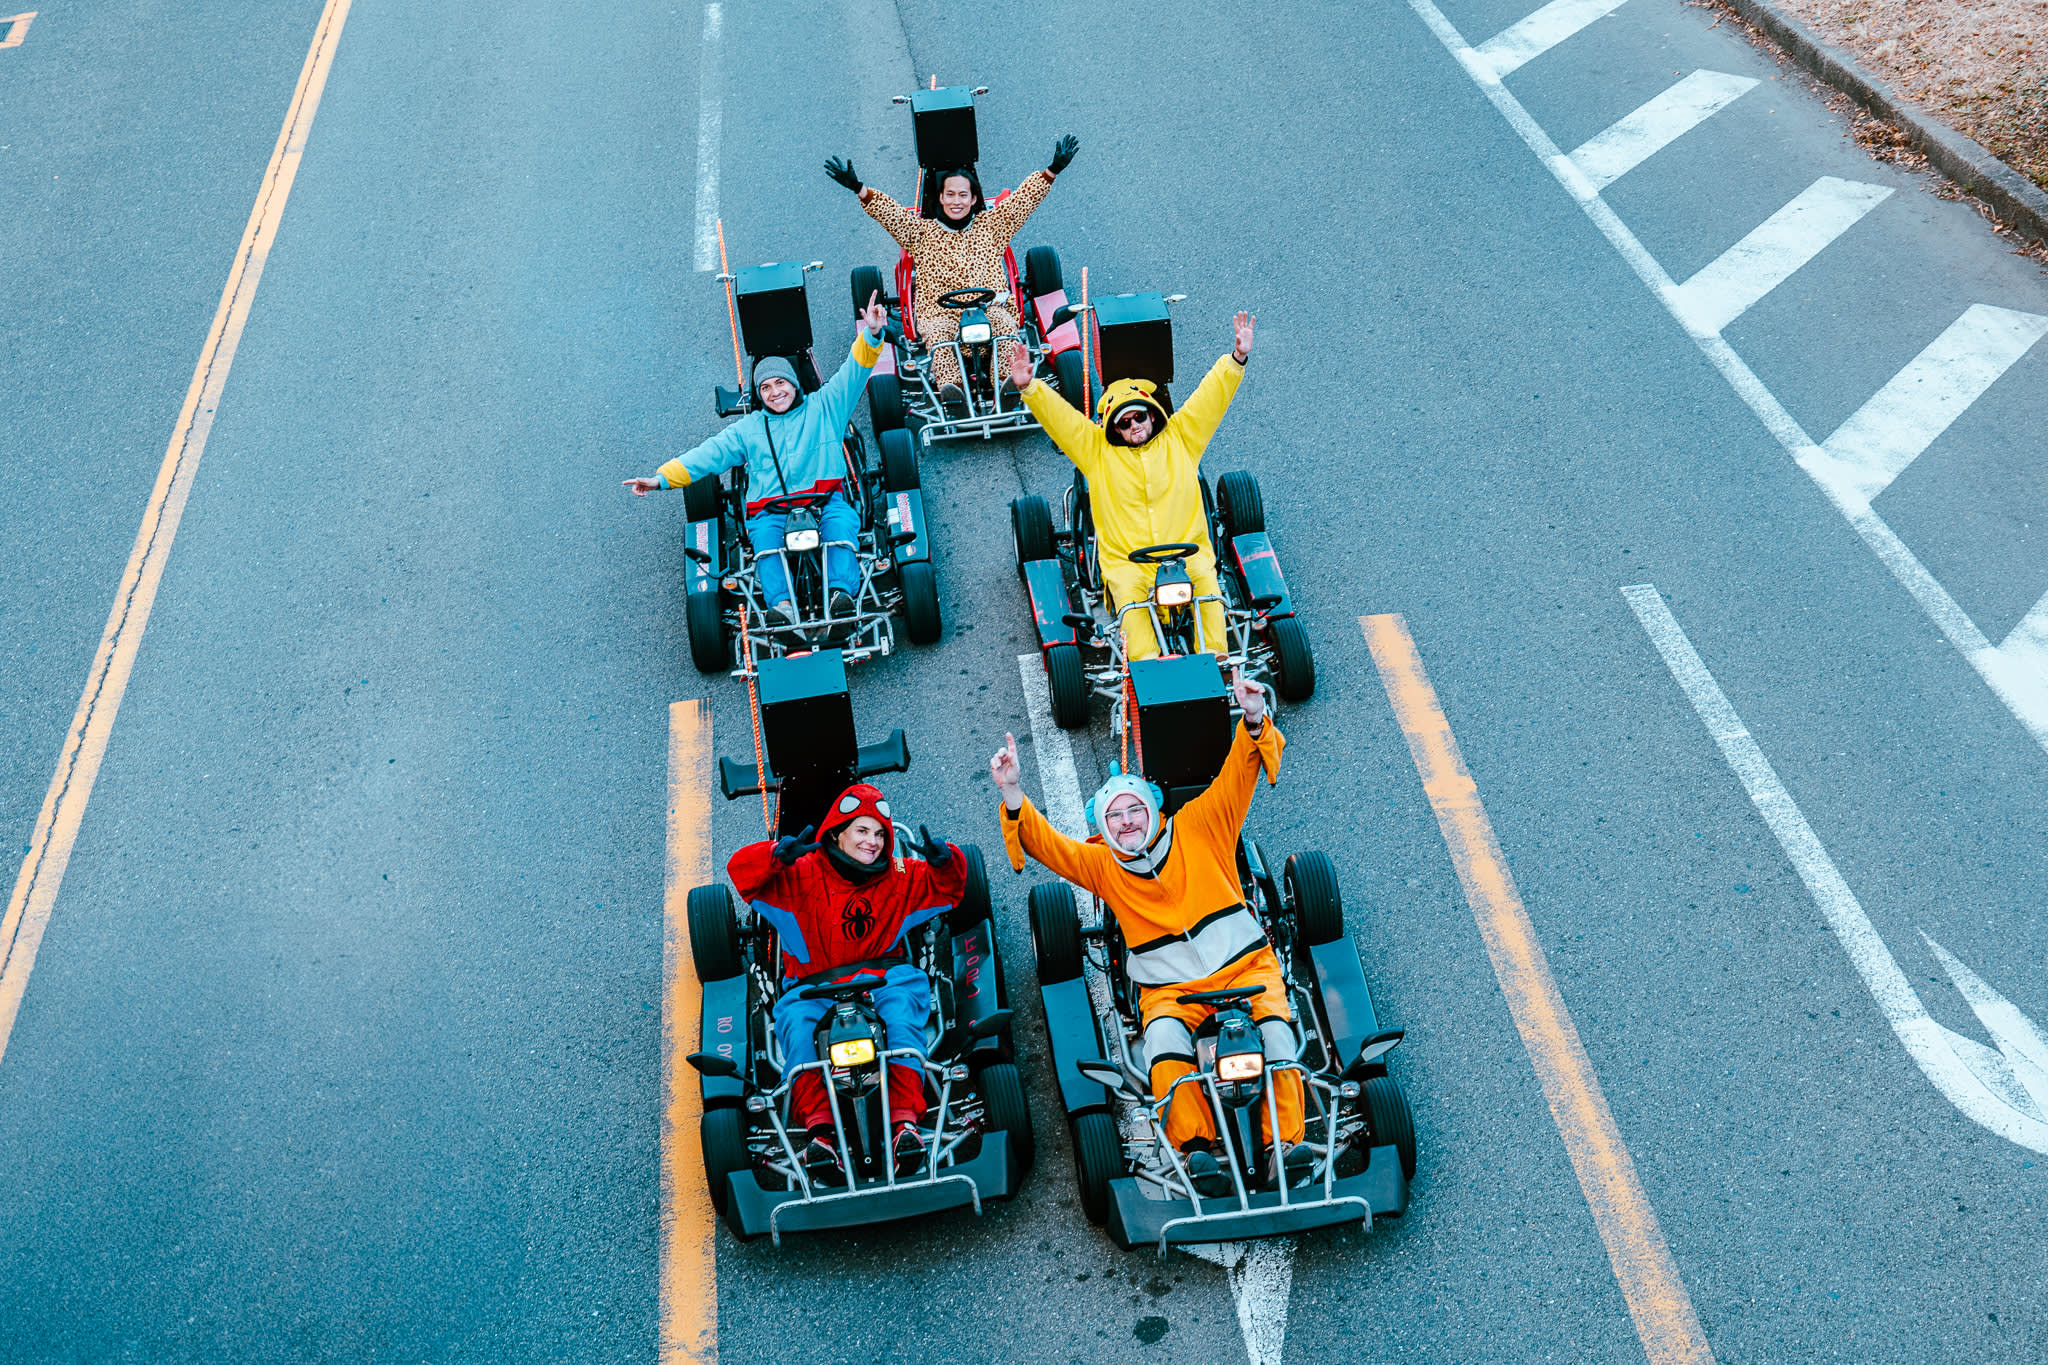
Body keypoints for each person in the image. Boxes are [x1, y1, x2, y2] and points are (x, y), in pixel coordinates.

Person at [989, 671, 1308, 1194]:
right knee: (1162, 1046)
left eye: (1134, 809)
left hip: (1249, 970)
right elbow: (1050, 847)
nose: (1126, 822)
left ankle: (1284, 1147)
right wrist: (1012, 791)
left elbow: (1238, 772)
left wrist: (1253, 717)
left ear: (1153, 810)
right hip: (1169, 993)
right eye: (1113, 817)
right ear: (1103, 829)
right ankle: (1196, 1151)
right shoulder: (1102, 866)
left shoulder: (1200, 824)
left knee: (1277, 1036)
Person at [725, 784, 964, 1180]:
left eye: (880, 834)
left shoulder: (899, 874)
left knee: (901, 1020)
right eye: (862, 831)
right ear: (837, 833)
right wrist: (773, 856)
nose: (873, 842)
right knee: (798, 1031)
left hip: (884, 978)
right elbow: (740, 871)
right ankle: (821, 1135)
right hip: (813, 987)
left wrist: (946, 862)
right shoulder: (800, 872)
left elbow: (950, 888)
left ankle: (904, 1125)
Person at [624, 294, 889, 639]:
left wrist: (871, 334)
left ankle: (841, 597)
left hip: (825, 503)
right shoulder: (748, 429)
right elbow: (708, 454)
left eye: (780, 383)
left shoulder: (826, 406)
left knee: (841, 529)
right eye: (765, 387)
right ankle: (782, 608)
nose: (774, 392)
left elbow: (855, 370)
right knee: (765, 543)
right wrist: (660, 479)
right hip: (771, 511)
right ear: (759, 394)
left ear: (793, 383)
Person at [1008, 311, 1254, 661]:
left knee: (1209, 590)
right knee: (1131, 604)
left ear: (1152, 414)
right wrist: (1029, 388)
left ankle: (1216, 664)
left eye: (1139, 416)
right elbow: (1063, 421)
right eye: (1124, 423)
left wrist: (1237, 358)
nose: (1134, 425)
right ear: (1114, 427)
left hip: (1189, 556)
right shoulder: (1096, 452)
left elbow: (1210, 397)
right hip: (1129, 566)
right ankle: (1148, 670)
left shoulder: (1182, 437)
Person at [825, 135, 1078, 407]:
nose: (956, 201)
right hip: (941, 313)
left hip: (991, 307)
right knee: (939, 337)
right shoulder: (921, 233)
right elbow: (891, 215)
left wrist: (1053, 170)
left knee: (1006, 327)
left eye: (963, 195)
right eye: (950, 194)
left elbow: (1021, 203)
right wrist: (859, 188)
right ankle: (953, 391)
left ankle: (1008, 385)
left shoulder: (992, 226)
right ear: (941, 198)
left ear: (973, 199)